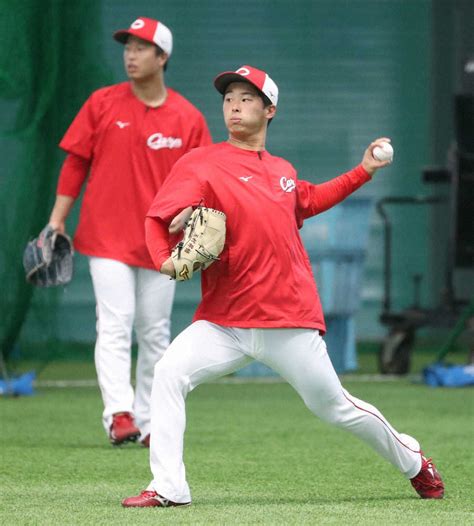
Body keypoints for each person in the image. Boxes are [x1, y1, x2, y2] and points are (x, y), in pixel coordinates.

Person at [122, 65, 444, 506]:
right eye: (229, 98)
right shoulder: (201, 163)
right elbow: (158, 219)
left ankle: (412, 459)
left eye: (247, 98)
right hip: (225, 322)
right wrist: (163, 260)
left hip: (287, 319)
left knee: (335, 407)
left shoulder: (282, 171)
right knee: (168, 373)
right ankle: (169, 487)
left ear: (270, 109)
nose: (234, 105)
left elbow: (308, 200)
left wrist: (364, 170)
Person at [48, 17, 212, 447]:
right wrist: (56, 219)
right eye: (127, 47)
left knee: (155, 330)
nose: (131, 55)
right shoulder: (102, 103)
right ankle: (118, 414)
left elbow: (203, 181)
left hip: (163, 242)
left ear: (163, 57)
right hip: (106, 236)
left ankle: (148, 419)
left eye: (141, 48)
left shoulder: (188, 117)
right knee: (115, 323)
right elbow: (75, 163)